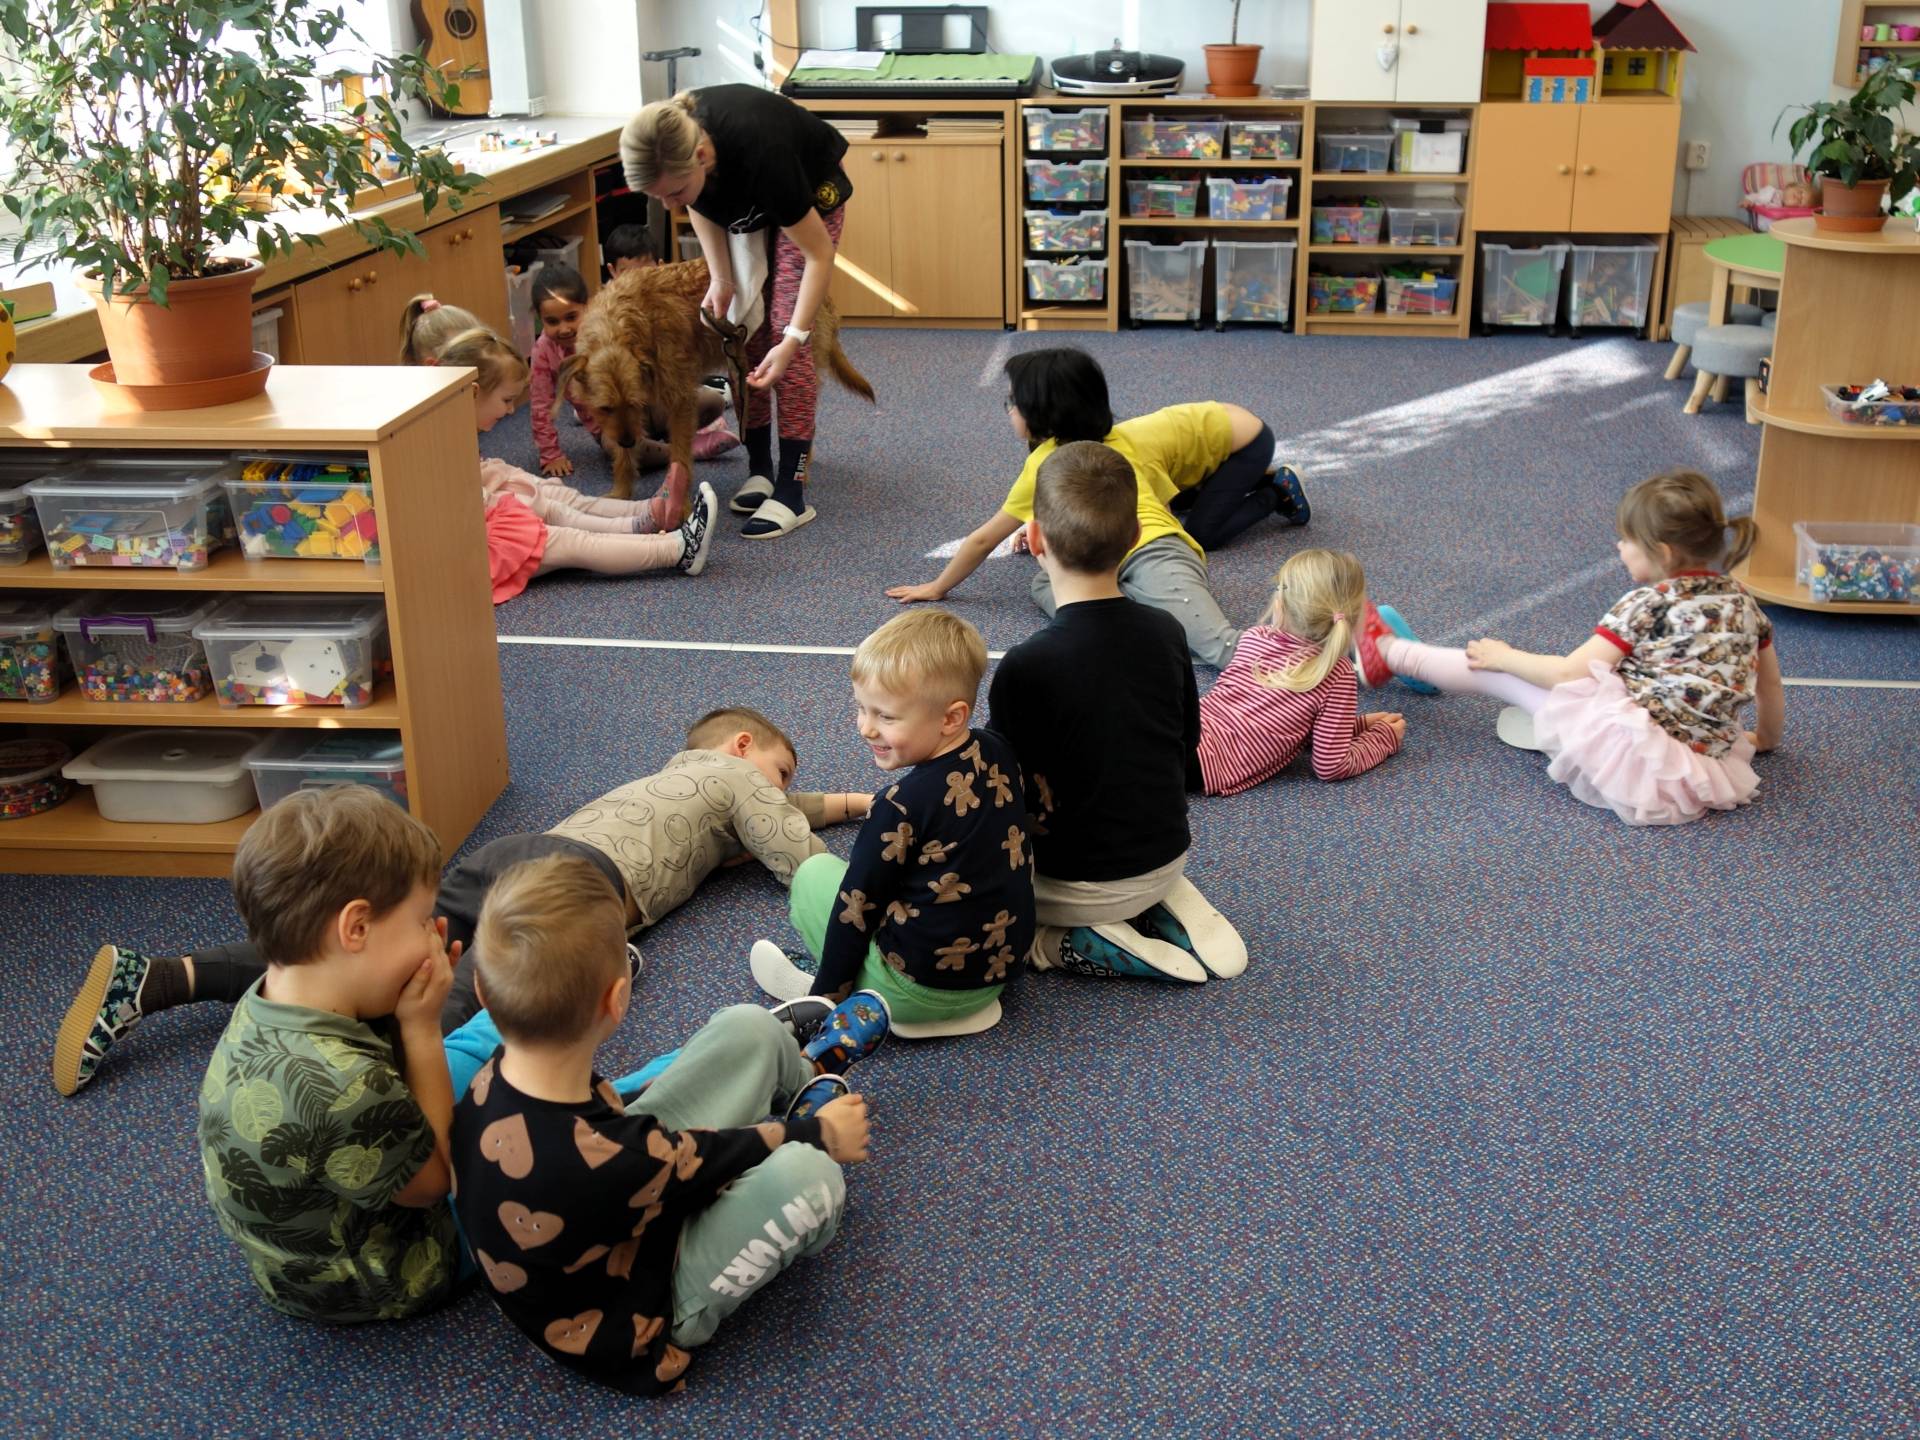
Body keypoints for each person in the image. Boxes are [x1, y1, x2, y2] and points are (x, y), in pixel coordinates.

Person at [53, 707, 872, 1095]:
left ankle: (161, 977)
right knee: (466, 985)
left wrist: (865, 804)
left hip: (522, 850)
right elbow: (787, 841)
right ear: (739, 746)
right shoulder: (733, 776)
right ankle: (401, 1093)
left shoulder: (677, 778)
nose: (781, 789)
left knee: (363, 946)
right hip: (578, 882)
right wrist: (839, 894)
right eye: (780, 771)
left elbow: (790, 809)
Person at [451, 853, 885, 1394]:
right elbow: (688, 1160)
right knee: (812, 1177)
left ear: (483, 996)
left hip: (610, 1198)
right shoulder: (619, 1156)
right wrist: (817, 1136)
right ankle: (806, 1121)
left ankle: (803, 1074)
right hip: (631, 1317)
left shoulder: (488, 1078)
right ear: (617, 1001)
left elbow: (647, 1153)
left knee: (748, 1028)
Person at [192, 787, 479, 1322]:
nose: (432, 935)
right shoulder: (349, 1086)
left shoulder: (268, 997)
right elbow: (436, 1186)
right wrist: (420, 1028)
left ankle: (517, 1027)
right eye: (422, 919)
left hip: (295, 1263)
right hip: (388, 1277)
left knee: (483, 1056)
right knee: (530, 1146)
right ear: (357, 927)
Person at [1362, 469, 1785, 826]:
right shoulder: (1743, 600)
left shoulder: (1648, 603)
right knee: (1599, 676)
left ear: (1661, 552)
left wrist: (1504, 656)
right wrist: (1765, 739)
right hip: (1701, 768)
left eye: (1626, 540)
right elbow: (1769, 684)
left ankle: (1389, 653)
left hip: (1638, 763)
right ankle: (1416, 661)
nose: (1619, 547)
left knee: (1498, 674)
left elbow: (1568, 672)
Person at [988, 442, 1248, 983]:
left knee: (988, 898)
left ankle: (1063, 941)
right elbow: (1188, 742)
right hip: (1168, 854)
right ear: (1135, 537)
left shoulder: (1025, 665)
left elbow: (1004, 789)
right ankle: (1156, 901)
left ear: (1033, 538)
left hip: (1073, 885)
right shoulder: (1167, 632)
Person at [886, 348, 1304, 668]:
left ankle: (1320, 666)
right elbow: (1160, 496)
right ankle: (1129, 618)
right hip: (1095, 554)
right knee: (1042, 584)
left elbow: (982, 540)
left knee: (1220, 647)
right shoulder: (1100, 445)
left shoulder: (1053, 460)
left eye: (1014, 402)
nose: (1009, 409)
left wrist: (938, 587)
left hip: (1153, 551)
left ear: (1043, 414)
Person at [749, 609, 1036, 1039]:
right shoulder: (999, 749)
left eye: (886, 716)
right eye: (861, 708)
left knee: (814, 873)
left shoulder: (898, 805)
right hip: (996, 976)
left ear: (951, 718)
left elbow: (856, 907)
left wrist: (825, 999)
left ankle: (857, 996)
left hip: (911, 994)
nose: (866, 728)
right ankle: (954, 1006)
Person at [621, 85, 854, 540]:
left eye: (674, 192)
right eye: (659, 198)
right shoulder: (682, 157)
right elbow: (698, 202)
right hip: (741, 188)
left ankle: (792, 488)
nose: (670, 206)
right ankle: (761, 468)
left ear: (702, 156)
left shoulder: (765, 156)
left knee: (784, 335)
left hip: (806, 189)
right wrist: (722, 278)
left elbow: (818, 255)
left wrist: (795, 338)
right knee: (747, 329)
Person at [426, 324, 717, 603]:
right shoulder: (439, 444)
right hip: (476, 554)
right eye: (506, 400)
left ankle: (648, 517)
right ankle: (676, 549)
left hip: (481, 525)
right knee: (572, 540)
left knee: (558, 503)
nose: (512, 410)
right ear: (473, 392)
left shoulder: (448, 430)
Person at [1193, 548, 1406, 796]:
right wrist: (1381, 739)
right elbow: (1331, 765)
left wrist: (1353, 726)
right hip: (1202, 764)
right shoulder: (1338, 673)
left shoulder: (1255, 637)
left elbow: (1268, 719)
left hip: (1186, 729)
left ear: (1281, 605)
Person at [526, 263, 600, 477]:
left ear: (587, 307)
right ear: (540, 319)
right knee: (637, 453)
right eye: (552, 321)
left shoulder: (601, 331)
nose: (564, 329)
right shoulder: (543, 351)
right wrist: (551, 455)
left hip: (637, 406)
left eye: (571, 317)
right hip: (604, 425)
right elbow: (541, 406)